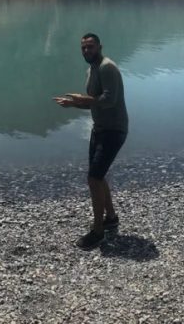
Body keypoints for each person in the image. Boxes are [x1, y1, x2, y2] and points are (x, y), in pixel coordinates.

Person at [53, 33, 128, 250]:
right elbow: (94, 103)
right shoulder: (91, 70)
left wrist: (82, 99)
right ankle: (111, 218)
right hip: (99, 129)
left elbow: (109, 100)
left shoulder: (107, 67)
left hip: (114, 130)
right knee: (97, 176)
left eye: (90, 47)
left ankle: (98, 231)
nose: (86, 51)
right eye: (84, 48)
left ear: (99, 47)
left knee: (94, 179)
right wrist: (73, 104)